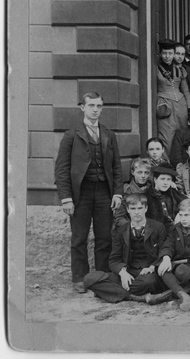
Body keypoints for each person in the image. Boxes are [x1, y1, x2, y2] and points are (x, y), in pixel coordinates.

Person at [54, 92, 124, 293]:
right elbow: (61, 169)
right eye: (91, 105)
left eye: (99, 106)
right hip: (80, 193)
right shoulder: (71, 135)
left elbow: (116, 167)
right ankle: (80, 276)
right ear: (82, 107)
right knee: (79, 237)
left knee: (104, 237)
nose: (95, 110)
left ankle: (101, 275)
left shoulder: (109, 134)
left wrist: (117, 193)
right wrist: (66, 198)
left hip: (104, 191)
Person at [83, 194, 172, 305]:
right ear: (128, 210)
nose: (137, 212)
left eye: (140, 208)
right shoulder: (121, 231)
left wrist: (152, 267)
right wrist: (122, 273)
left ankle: (111, 291)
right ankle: (137, 297)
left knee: (148, 282)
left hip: (148, 273)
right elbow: (114, 259)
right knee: (89, 278)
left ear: (146, 208)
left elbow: (164, 250)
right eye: (133, 209)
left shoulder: (158, 227)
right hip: (129, 271)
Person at [155, 39, 190, 154]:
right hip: (165, 105)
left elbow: (185, 91)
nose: (167, 56)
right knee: (167, 137)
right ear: (161, 54)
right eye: (164, 53)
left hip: (181, 106)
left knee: (182, 135)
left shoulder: (180, 70)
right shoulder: (155, 69)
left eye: (170, 53)